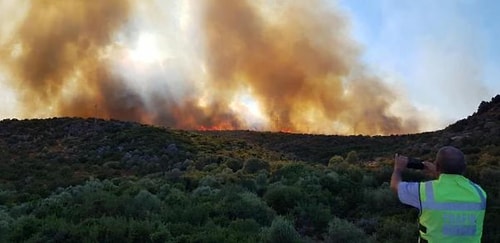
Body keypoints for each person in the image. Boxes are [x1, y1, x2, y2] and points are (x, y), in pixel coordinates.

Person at [390, 146, 486, 243]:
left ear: (438, 166)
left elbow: (395, 186)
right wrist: (438, 171)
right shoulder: (479, 192)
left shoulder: (425, 191)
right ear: (464, 167)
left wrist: (398, 169)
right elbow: (454, 186)